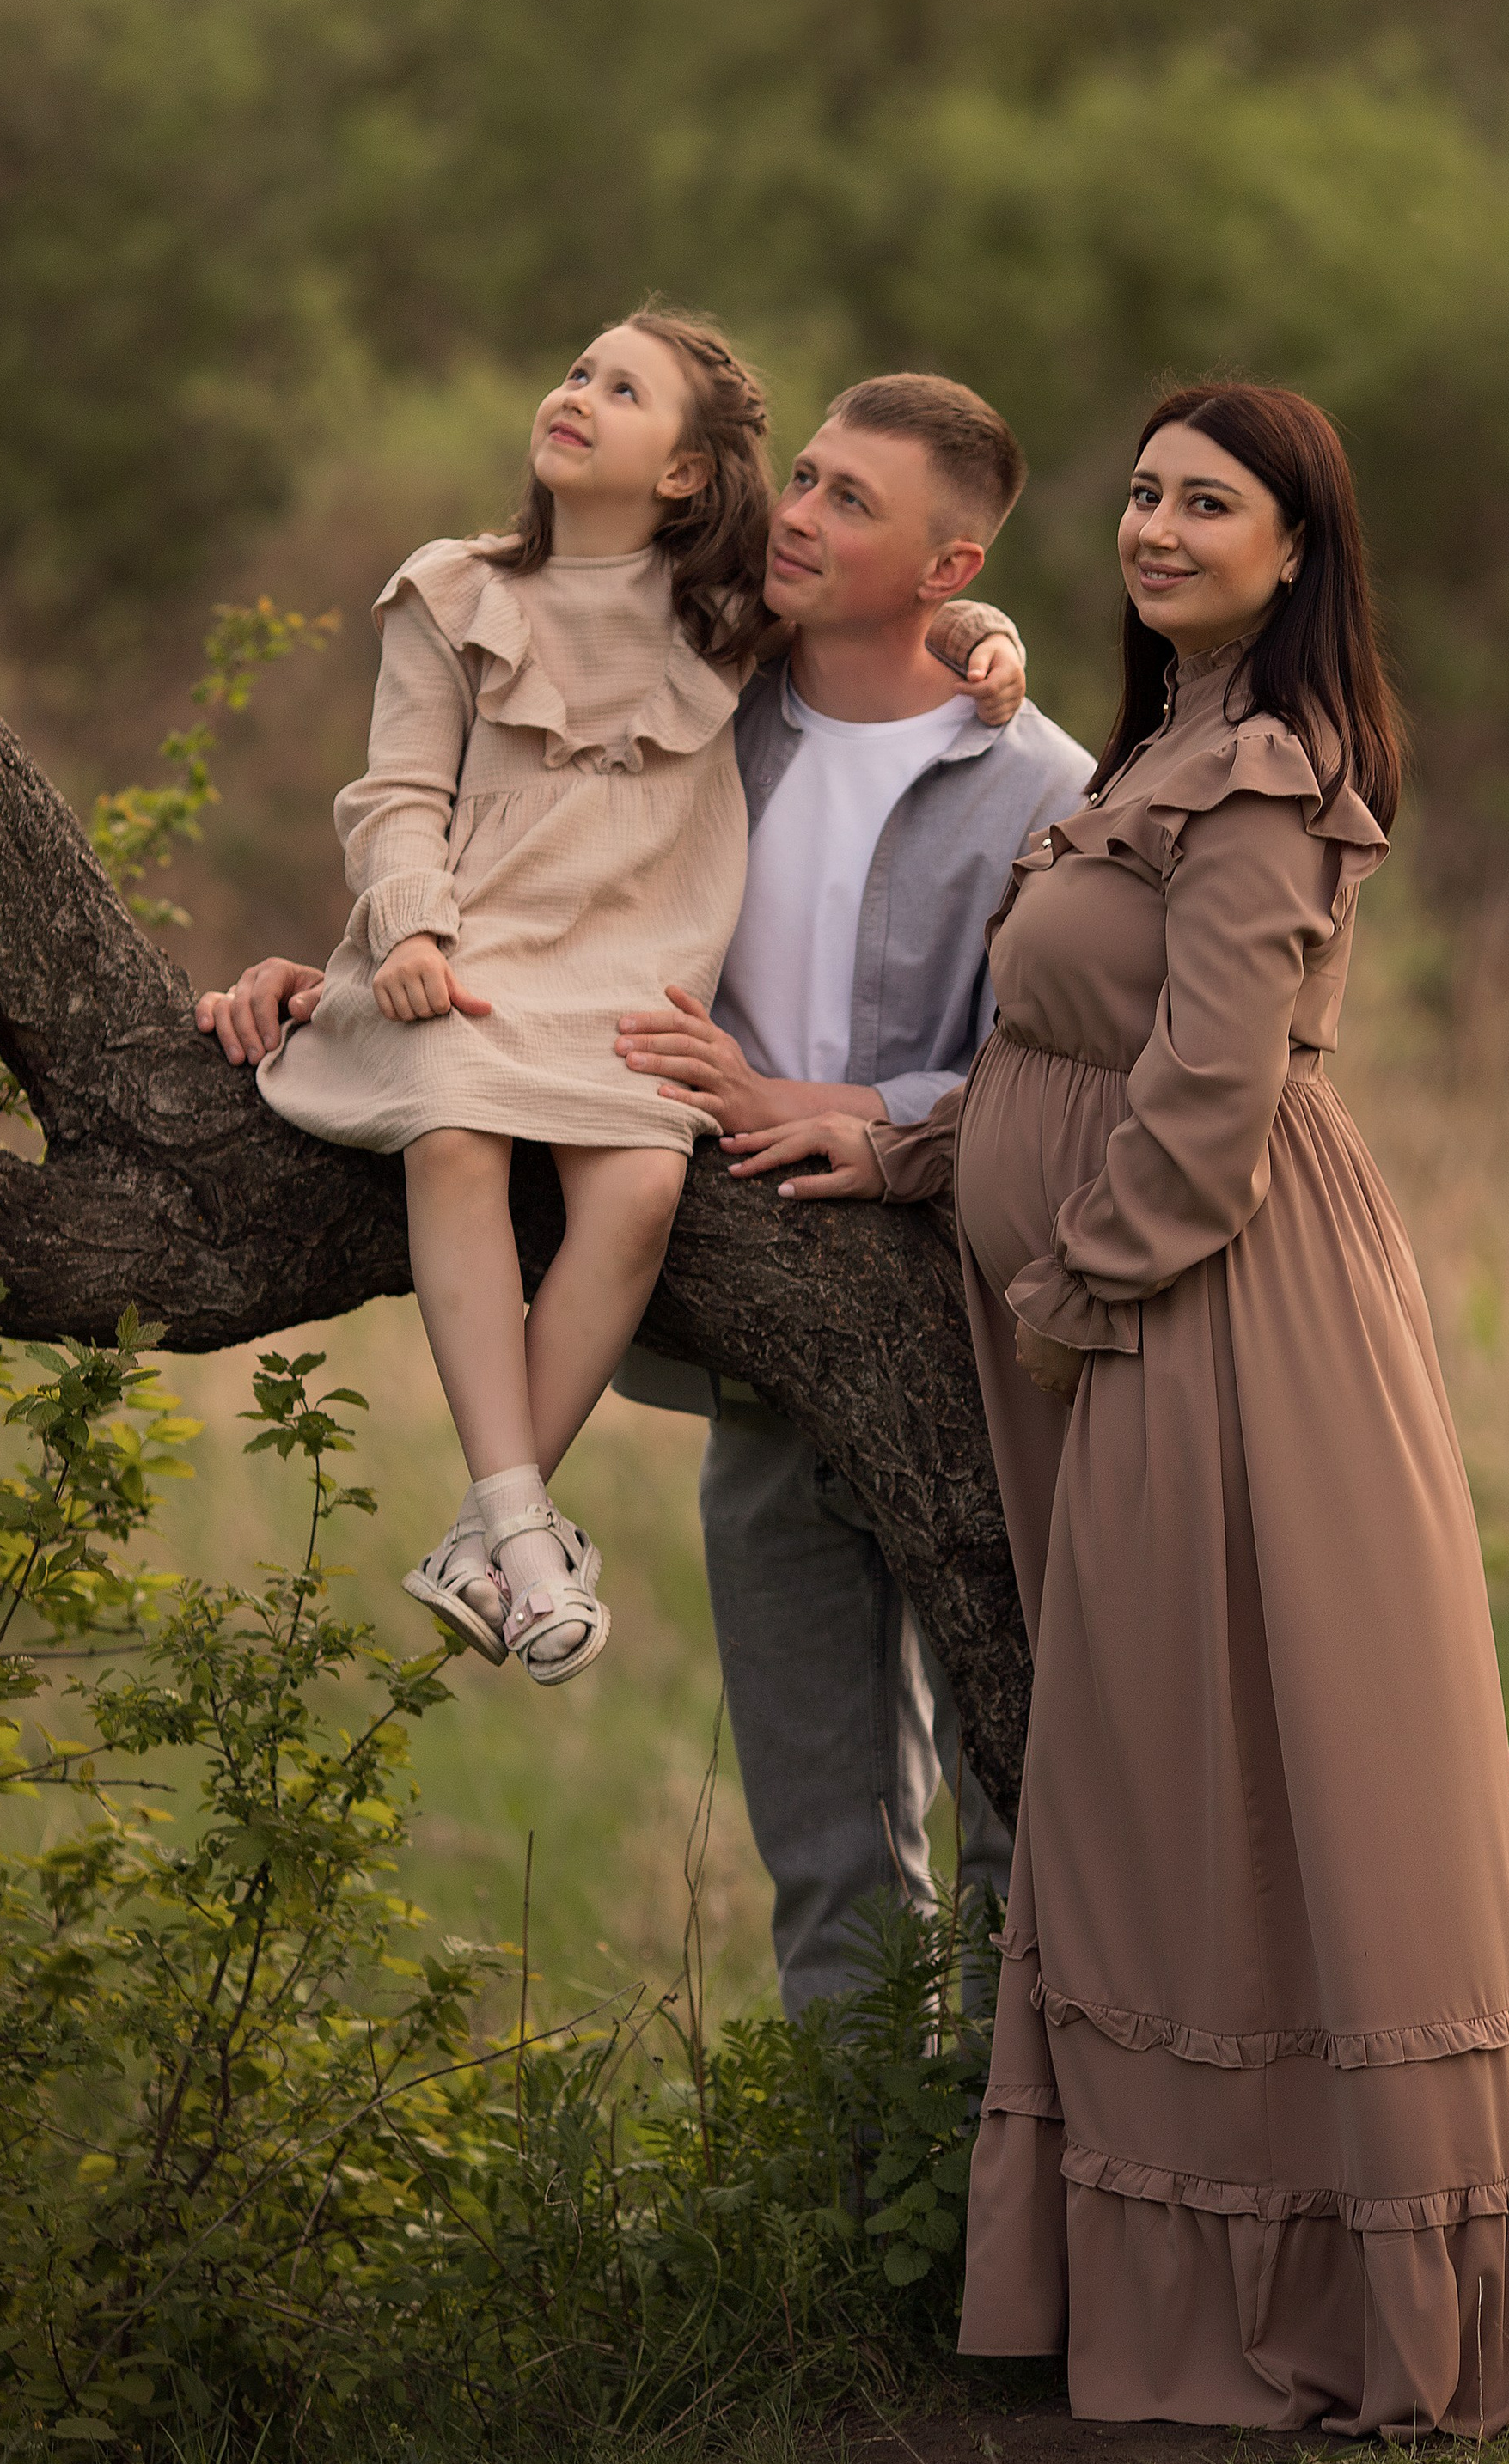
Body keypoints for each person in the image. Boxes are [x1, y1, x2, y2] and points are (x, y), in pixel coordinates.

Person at [742, 381, 1509, 2436]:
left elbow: (1210, 1097)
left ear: (1292, 546)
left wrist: (1064, 1287)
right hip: (1116, 1323)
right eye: (1137, 492)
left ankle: (1317, 2289)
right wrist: (903, 1160)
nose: (1153, 525)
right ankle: (1146, 2278)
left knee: (1220, 1775)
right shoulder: (1160, 741)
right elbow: (1052, 1051)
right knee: (1158, 1780)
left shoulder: (1270, 770)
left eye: (1204, 501)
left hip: (1204, 1325)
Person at [194, 305, 1029, 1690]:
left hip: (628, 984)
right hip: (474, 957)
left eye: (622, 389)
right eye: (577, 370)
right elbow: (398, 792)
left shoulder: (725, 611)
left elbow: (884, 600)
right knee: (455, 1137)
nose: (576, 392)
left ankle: (483, 1536)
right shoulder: (453, 591)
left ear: (687, 474)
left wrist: (982, 629)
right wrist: (404, 927)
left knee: (637, 1195)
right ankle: (522, 1520)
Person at [608, 374, 1091, 2010]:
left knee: (1020, 1844)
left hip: (974, 1354)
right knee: (824, 1868)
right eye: (803, 478)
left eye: (851, 502)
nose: (798, 512)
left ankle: (1013, 2224)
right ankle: (848, 2232)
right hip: (758, 1346)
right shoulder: (700, 714)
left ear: (952, 574)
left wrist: (855, 1109)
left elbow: (1075, 1084)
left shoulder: (1049, 791)